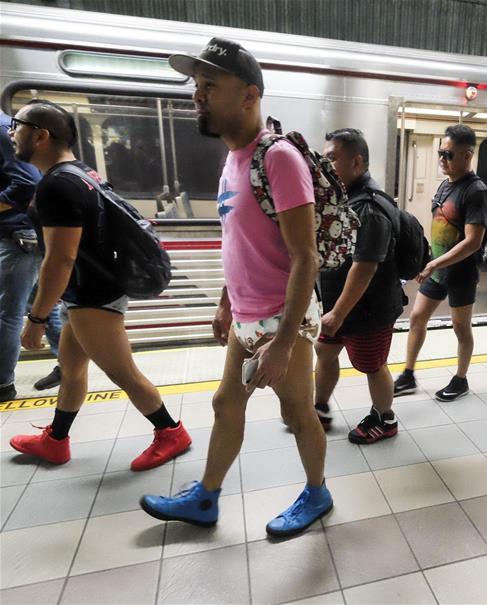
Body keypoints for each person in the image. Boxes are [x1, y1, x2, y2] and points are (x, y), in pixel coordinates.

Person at [140, 38, 331, 538]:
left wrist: (285, 343)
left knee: (296, 411)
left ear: (248, 95)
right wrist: (227, 302)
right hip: (247, 316)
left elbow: (306, 256)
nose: (197, 96)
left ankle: (317, 493)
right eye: (196, 86)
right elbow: (240, 240)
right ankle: (206, 498)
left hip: (280, 319)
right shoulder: (233, 158)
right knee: (227, 403)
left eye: (209, 86)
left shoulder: (279, 158)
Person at [8, 100, 191, 469]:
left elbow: (61, 259)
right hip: (87, 293)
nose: (12, 133)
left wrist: (37, 317)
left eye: (17, 125)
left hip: (93, 296)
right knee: (73, 366)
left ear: (41, 135)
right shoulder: (80, 173)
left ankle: (171, 433)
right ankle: (56, 440)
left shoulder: (57, 186)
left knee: (123, 373)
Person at [314, 128, 405, 444]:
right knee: (324, 352)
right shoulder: (344, 199)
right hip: (339, 306)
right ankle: (321, 408)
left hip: (368, 310)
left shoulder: (369, 208)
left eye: (331, 158)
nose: (325, 165)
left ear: (356, 162)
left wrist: (337, 313)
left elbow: (364, 269)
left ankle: (385, 418)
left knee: (372, 366)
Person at [393, 124, 487, 402]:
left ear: (467, 155)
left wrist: (435, 264)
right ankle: (408, 375)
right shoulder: (445, 186)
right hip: (438, 269)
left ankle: (461, 379)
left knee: (461, 328)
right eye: (440, 153)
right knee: (416, 318)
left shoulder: (476, 192)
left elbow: (472, 241)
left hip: (461, 273)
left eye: (449, 154)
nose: (442, 159)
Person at [0, 111, 41, 403]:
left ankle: (3, 383)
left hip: (17, 236)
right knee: (43, 305)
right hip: (22, 234)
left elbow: (27, 181)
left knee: (8, 312)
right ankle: (68, 366)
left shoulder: (2, 129)